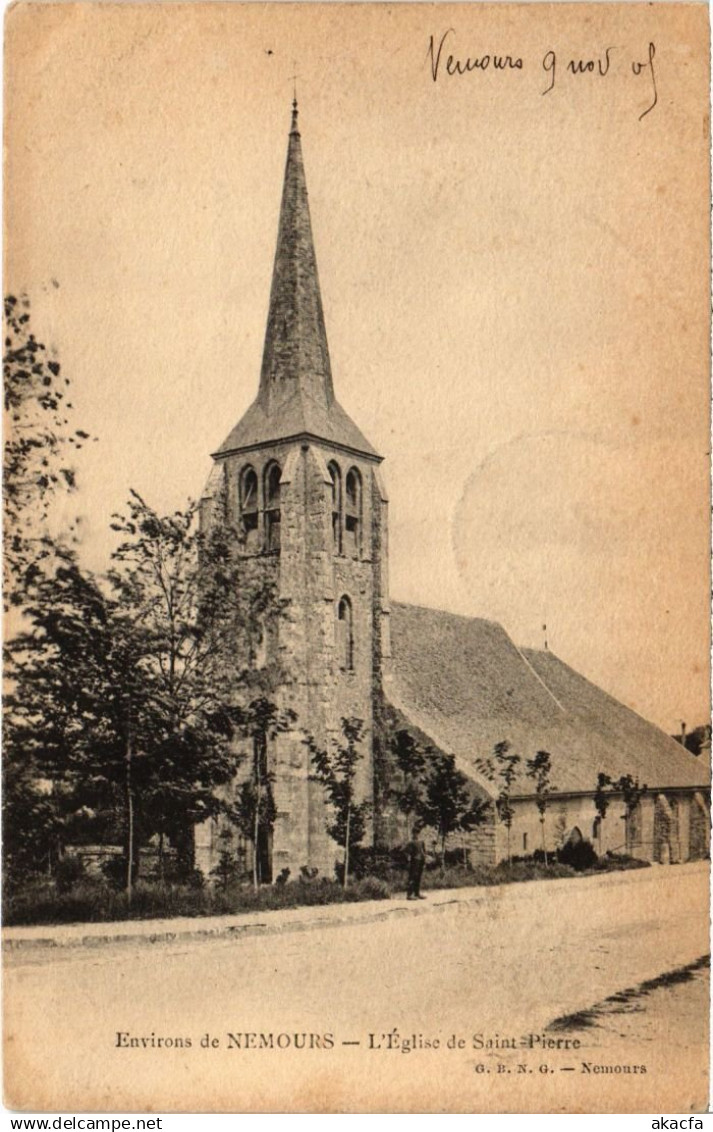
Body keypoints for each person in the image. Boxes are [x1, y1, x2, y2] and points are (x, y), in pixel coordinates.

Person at [405, 828, 427, 900]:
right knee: (412, 877)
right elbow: (406, 852)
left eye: (417, 833)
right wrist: (408, 859)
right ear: (413, 833)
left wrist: (424, 860)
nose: (416, 834)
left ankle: (417, 893)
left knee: (418, 877)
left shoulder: (421, 842)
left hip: (420, 861)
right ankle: (409, 895)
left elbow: (424, 851)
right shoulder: (410, 842)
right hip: (414, 861)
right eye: (415, 833)